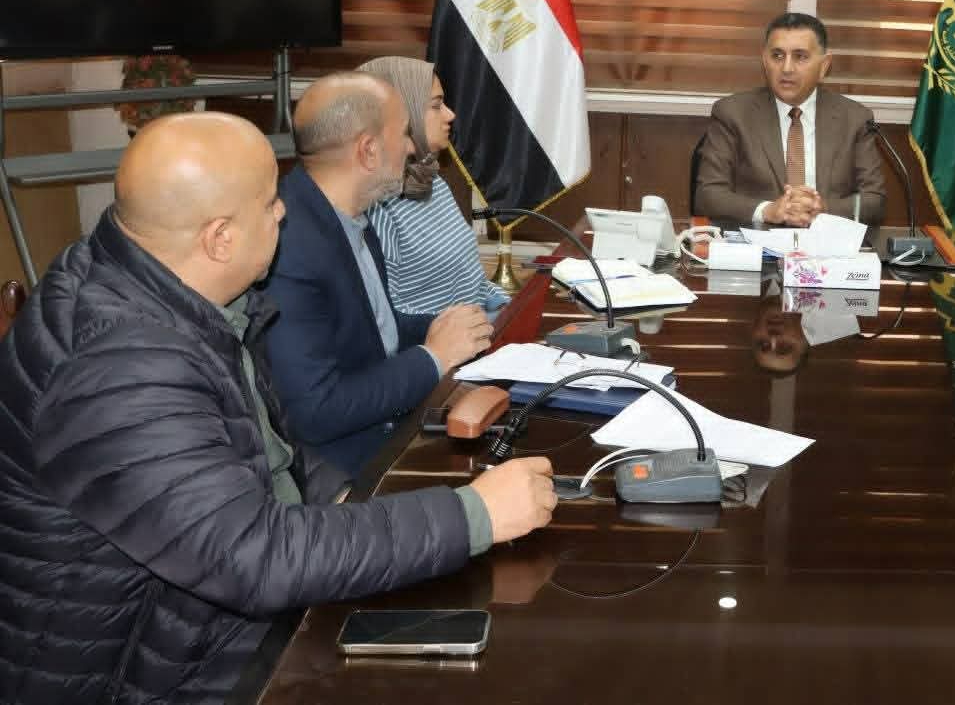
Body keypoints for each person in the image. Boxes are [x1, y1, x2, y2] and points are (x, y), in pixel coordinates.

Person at [0, 113, 557, 704]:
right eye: (270, 203)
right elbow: (252, 559)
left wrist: (353, 501)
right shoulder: (120, 369)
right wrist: (472, 515)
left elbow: (271, 448)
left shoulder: (169, 286)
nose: (284, 211)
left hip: (194, 625)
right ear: (220, 238)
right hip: (147, 673)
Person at [265, 73, 492, 473]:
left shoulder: (350, 215)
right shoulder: (289, 248)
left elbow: (373, 333)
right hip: (339, 471)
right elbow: (316, 412)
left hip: (383, 427)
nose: (411, 147)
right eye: (403, 134)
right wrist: (434, 356)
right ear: (368, 151)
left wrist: (447, 327)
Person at [695, 12, 887, 228]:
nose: (786, 68)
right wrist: (767, 210)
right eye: (777, 56)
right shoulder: (733, 113)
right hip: (758, 243)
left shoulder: (855, 119)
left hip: (828, 243)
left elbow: (874, 201)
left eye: (800, 57)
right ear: (764, 61)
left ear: (824, 66)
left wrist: (823, 209)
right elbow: (707, 195)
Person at [359, 55, 511, 317]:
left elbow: (469, 279)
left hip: (481, 326)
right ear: (402, 114)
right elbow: (388, 318)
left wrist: (503, 305)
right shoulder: (375, 208)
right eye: (436, 105)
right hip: (443, 339)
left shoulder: (431, 180)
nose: (450, 115)